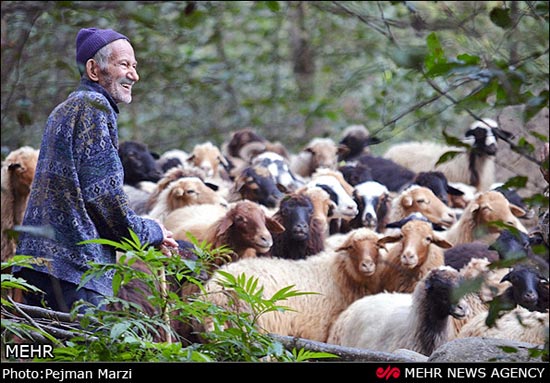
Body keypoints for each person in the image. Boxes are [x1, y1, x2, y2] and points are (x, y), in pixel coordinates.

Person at [13, 27, 178, 313]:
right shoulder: (95, 108)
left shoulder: (63, 110)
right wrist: (152, 231)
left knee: (45, 354)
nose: (134, 75)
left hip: (36, 267)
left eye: (135, 67)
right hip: (76, 272)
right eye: (124, 64)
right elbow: (104, 199)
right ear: (93, 69)